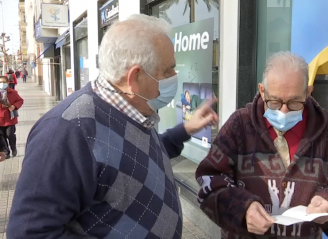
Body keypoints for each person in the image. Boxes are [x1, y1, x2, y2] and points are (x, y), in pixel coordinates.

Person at [7, 14, 218, 238]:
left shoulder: (136, 112)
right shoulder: (67, 131)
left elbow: (134, 162)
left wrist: (185, 130)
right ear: (135, 77)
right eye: (168, 70)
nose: (175, 76)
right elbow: (29, 233)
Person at [195, 51, 328, 239]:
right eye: (274, 102)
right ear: (261, 90)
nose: (284, 111)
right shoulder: (239, 126)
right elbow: (210, 179)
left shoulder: (327, 133)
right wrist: (241, 209)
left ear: (308, 92)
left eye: (294, 103)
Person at [0, 76, 23, 159]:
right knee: (2, 136)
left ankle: (13, 148)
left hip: (10, 118)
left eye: (3, 82)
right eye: (0, 82)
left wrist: (14, 106)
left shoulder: (13, 92)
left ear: (7, 83)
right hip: (0, 119)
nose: (1, 84)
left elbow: (20, 100)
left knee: (10, 135)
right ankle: (6, 152)